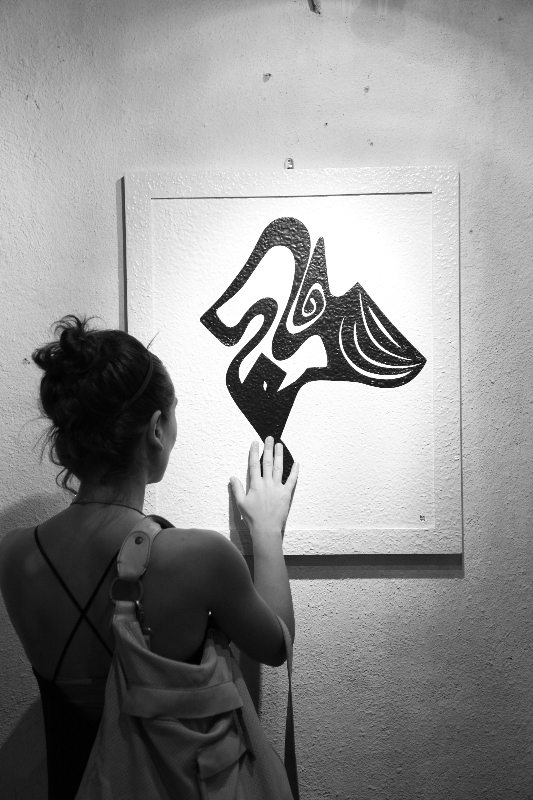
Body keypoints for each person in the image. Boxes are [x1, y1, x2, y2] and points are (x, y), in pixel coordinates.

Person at [0, 315, 299, 800]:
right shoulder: (197, 556)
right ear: (157, 429)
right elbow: (275, 645)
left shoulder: (13, 554)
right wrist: (266, 532)